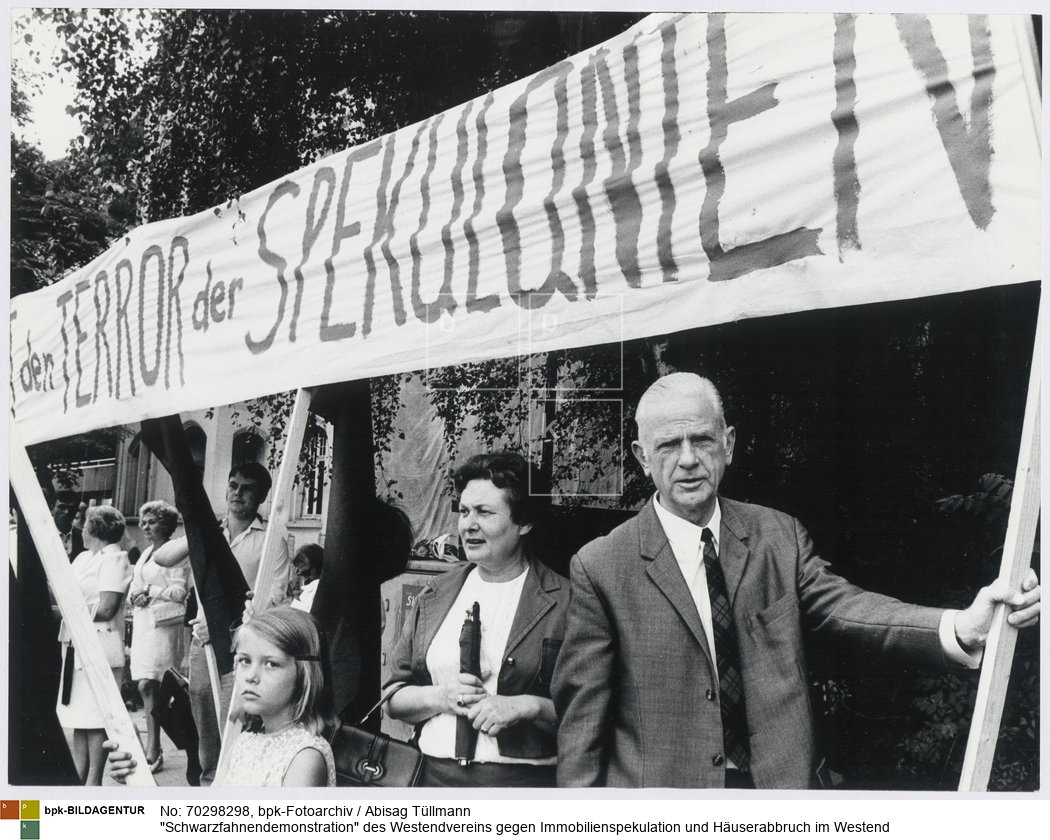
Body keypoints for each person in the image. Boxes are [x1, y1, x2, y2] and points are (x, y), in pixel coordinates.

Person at [551, 373, 1041, 789]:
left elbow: (848, 609)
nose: (687, 459)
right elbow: (583, 731)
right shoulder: (602, 566)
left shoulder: (777, 536)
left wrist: (959, 626)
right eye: (668, 445)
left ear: (729, 443)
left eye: (701, 439)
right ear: (641, 456)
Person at [386, 452, 567, 787]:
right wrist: (440, 697)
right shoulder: (436, 593)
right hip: (429, 780)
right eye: (464, 511)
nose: (468, 524)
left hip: (521, 788)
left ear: (524, 522)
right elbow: (394, 697)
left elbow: (592, 713)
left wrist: (529, 706)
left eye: (484, 512)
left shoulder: (565, 602)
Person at [152, 461, 290, 785]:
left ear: (262, 497)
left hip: (244, 647)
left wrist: (235, 625)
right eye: (233, 485)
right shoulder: (209, 532)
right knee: (206, 725)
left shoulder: (271, 538)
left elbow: (275, 597)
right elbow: (161, 557)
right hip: (204, 644)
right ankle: (208, 787)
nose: (237, 494)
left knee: (237, 720)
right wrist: (202, 535)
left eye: (247, 488)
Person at [105, 606, 336, 787]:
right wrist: (137, 773)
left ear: (305, 675)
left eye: (271, 664)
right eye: (245, 660)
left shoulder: (305, 757)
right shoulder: (245, 742)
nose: (251, 676)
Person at [55, 505, 132, 785]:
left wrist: (66, 610)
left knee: (97, 715)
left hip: (100, 644)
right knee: (79, 715)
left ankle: (94, 781)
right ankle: (78, 776)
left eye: (83, 522)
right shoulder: (82, 559)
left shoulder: (116, 558)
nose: (80, 527)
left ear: (96, 527)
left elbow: (108, 606)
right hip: (75, 643)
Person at [127, 500, 189, 774]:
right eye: (143, 522)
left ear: (165, 524)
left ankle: (155, 748)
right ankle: (156, 747)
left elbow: (179, 592)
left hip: (163, 626)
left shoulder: (175, 552)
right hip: (144, 625)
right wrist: (136, 595)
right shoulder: (146, 553)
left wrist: (150, 590)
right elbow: (137, 585)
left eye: (151, 522)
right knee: (146, 685)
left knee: (152, 687)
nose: (145, 527)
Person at [289, 543, 324, 612]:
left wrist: (296, 599)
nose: (298, 572)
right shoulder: (309, 587)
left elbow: (304, 615)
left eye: (301, 567)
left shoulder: (316, 587)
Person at [52, 490, 84, 561]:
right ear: (52, 509)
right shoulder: (42, 535)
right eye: (62, 507)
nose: (67, 512)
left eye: (71, 508)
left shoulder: (83, 537)